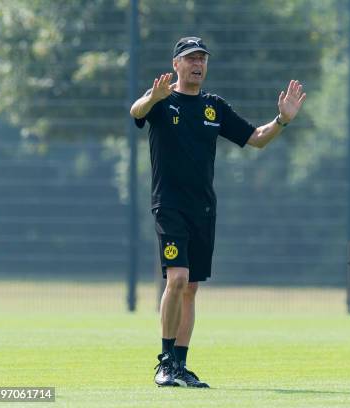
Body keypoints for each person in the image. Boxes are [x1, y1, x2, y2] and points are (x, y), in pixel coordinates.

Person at [129, 36, 306, 388]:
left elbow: (255, 138)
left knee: (191, 288)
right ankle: (164, 363)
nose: (198, 64)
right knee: (176, 278)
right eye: (190, 58)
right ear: (176, 64)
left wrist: (282, 121)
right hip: (170, 206)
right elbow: (136, 111)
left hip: (204, 209)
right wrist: (152, 97)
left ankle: (180, 364)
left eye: (202, 59)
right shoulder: (163, 102)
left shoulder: (214, 107)